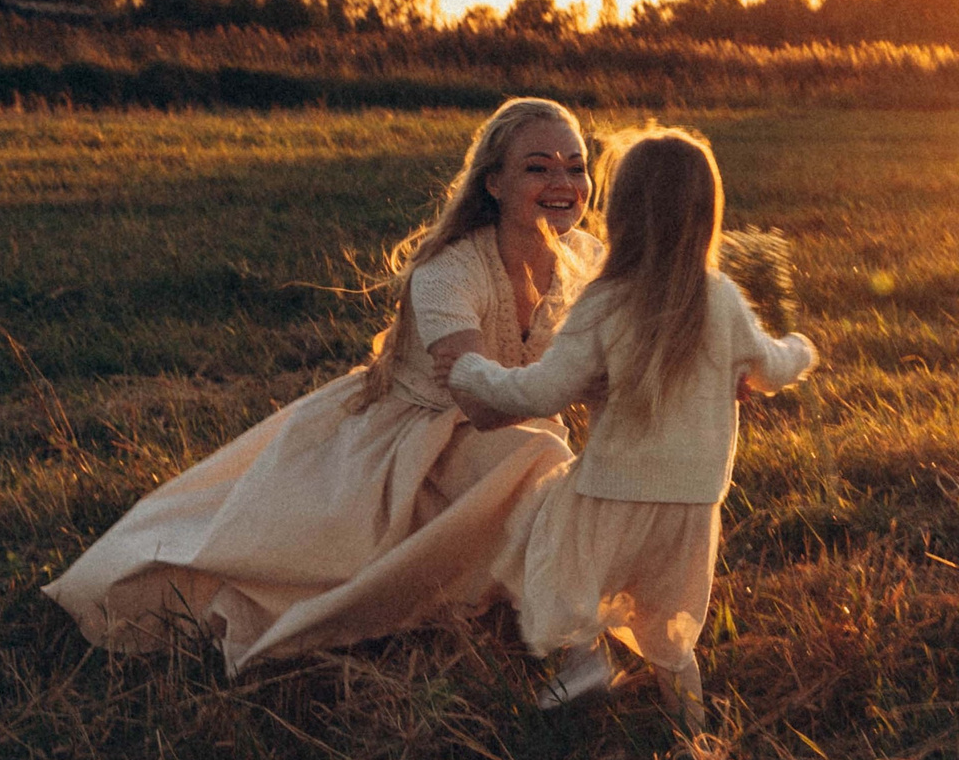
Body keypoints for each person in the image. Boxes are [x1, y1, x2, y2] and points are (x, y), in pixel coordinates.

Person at [44, 97, 604, 670]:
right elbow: (477, 398)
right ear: (494, 183)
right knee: (537, 455)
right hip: (408, 444)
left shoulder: (590, 259)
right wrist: (567, 389)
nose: (563, 182)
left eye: (576, 166)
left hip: (507, 435)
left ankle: (571, 639)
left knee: (546, 461)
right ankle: (576, 649)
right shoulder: (449, 271)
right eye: (538, 167)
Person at [445, 128, 817, 720]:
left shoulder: (606, 301)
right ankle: (696, 741)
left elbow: (544, 389)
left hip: (612, 490)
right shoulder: (720, 298)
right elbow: (771, 368)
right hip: (695, 502)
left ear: (620, 212)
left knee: (544, 546)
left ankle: (583, 660)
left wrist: (470, 373)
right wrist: (800, 348)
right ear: (707, 215)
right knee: (672, 633)